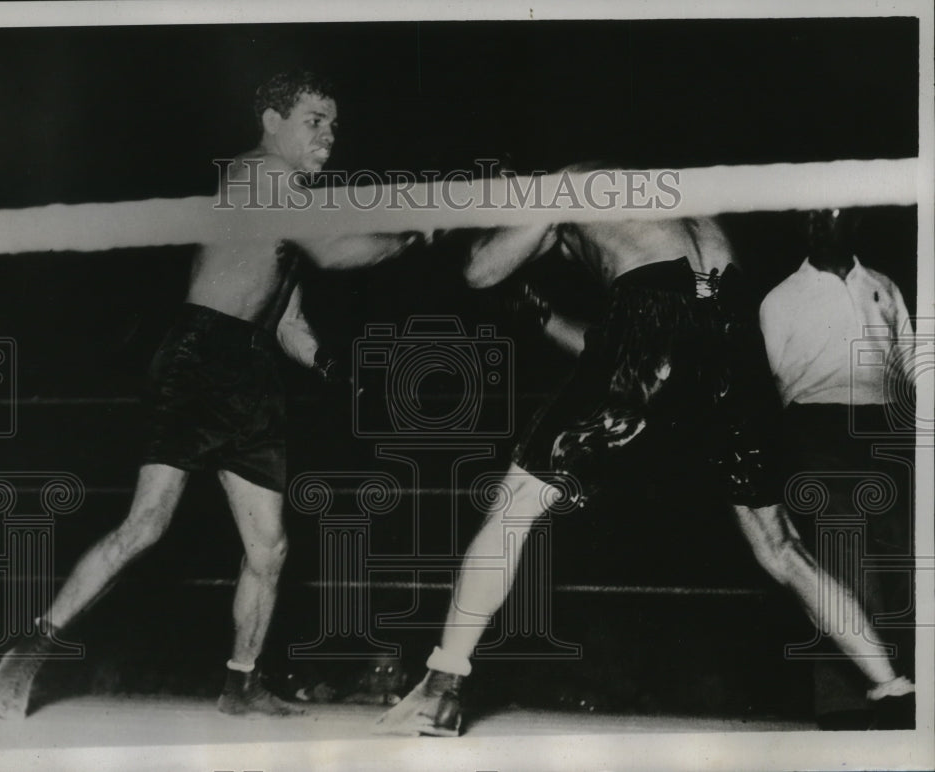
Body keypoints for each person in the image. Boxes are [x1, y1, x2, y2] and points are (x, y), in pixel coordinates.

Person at [375, 188, 915, 736]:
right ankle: (894, 689)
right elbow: (650, 340)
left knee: (514, 508)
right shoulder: (675, 196)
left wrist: (445, 238)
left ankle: (440, 691)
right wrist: (541, 315)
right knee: (781, 546)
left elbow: (480, 270)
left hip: (650, 322)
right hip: (731, 334)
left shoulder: (563, 184)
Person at [0, 69, 421, 720]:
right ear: (273, 124)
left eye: (334, 123)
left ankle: (241, 683)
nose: (329, 134)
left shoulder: (289, 201)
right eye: (314, 120)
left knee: (269, 548)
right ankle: (32, 646)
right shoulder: (261, 174)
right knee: (146, 525)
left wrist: (334, 365)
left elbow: (287, 322)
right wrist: (419, 234)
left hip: (248, 367)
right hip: (199, 355)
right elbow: (338, 251)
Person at [759, 208, 916, 729]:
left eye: (831, 213)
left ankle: (902, 697)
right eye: (809, 216)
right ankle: (843, 707)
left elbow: (911, 366)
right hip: (816, 433)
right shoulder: (780, 298)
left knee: (899, 563)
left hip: (886, 432)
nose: (819, 223)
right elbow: (768, 388)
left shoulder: (884, 287)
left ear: (857, 222)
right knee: (840, 561)